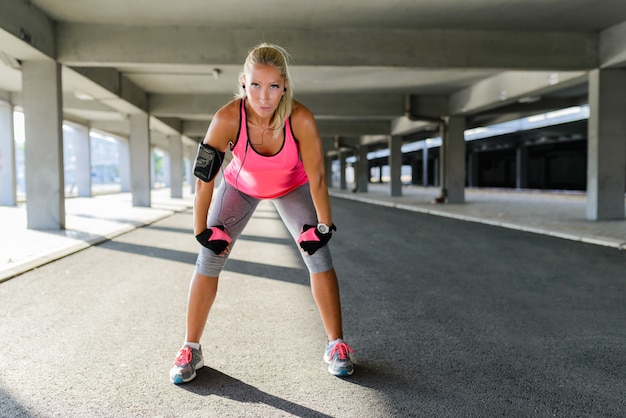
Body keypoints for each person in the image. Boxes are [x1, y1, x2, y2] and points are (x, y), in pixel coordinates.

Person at [169, 43, 355, 384]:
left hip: (291, 187)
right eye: (255, 85)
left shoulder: (300, 118)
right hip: (240, 188)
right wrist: (201, 231)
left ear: (284, 85)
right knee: (208, 257)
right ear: (243, 82)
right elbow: (204, 178)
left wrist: (323, 226)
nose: (264, 97)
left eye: (272, 86)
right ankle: (190, 348)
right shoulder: (227, 118)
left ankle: (336, 344)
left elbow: (317, 174)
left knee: (318, 254)